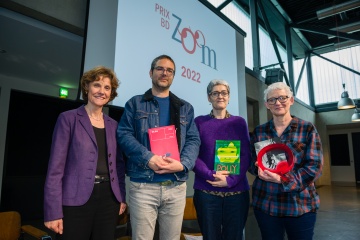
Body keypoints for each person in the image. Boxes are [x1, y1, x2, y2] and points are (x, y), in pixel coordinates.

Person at [117, 54, 200, 240]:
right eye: (160, 69)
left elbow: (194, 139)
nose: (165, 73)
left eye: (169, 70)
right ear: (151, 73)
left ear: (173, 76)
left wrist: (184, 164)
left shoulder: (185, 107)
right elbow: (123, 134)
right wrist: (149, 158)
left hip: (176, 185)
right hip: (143, 185)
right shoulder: (135, 103)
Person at [43, 66, 127, 240]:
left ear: (111, 93)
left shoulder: (114, 125)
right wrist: (52, 211)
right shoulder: (68, 119)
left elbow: (119, 165)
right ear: (87, 87)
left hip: (109, 200)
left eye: (107, 87)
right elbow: (55, 169)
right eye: (97, 85)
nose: (101, 91)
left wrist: (121, 197)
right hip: (74, 200)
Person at [249, 82, 323, 240]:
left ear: (291, 100)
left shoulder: (307, 129)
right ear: (266, 105)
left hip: (300, 206)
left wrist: (282, 179)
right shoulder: (259, 131)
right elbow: (251, 162)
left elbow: (314, 167)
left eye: (282, 98)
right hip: (266, 204)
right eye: (272, 99)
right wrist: (257, 169)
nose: (277, 102)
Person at [192, 79, 251, 240]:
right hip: (207, 192)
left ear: (229, 97)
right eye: (215, 93)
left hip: (237, 192)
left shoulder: (239, 122)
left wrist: (231, 180)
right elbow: (192, 155)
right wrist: (211, 174)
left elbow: (246, 155)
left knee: (234, 236)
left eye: (224, 93)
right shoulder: (199, 122)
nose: (220, 96)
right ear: (208, 98)